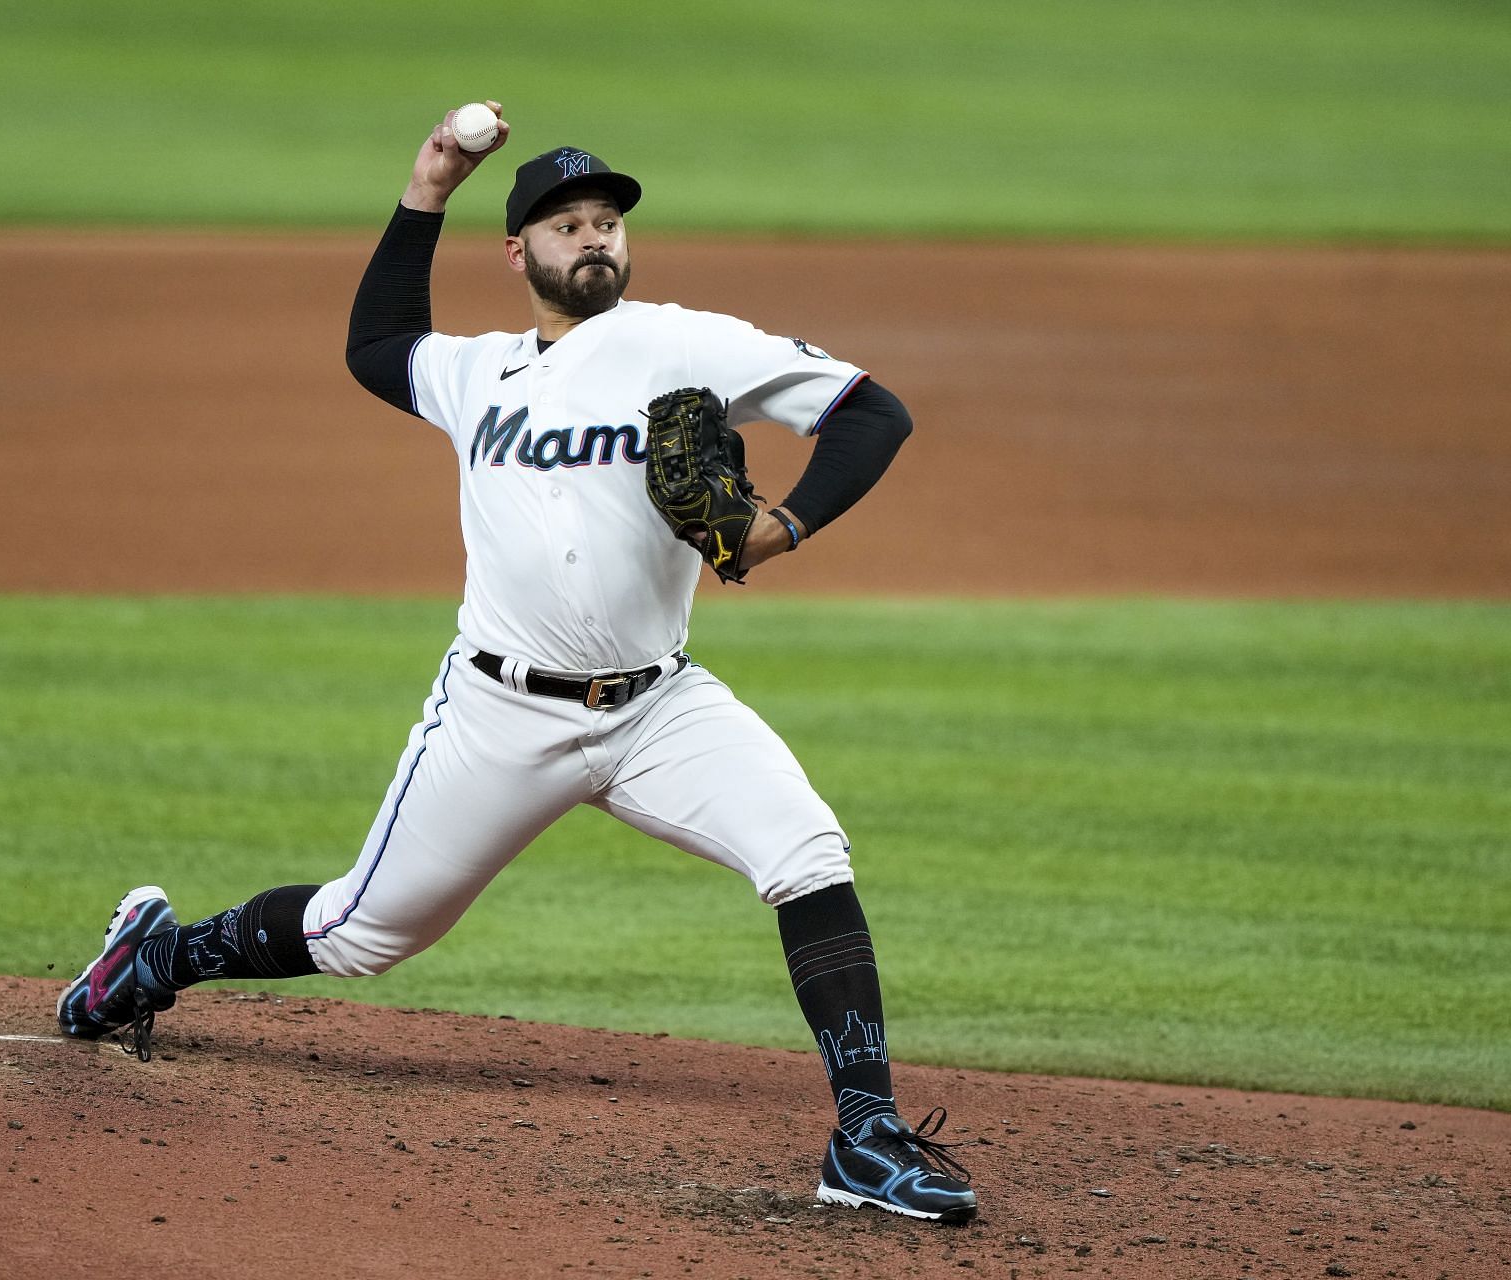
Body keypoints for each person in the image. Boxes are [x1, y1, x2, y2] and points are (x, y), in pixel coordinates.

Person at [58, 103, 976, 1223]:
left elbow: (874, 413)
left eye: (607, 222)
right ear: (519, 252)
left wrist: (780, 527)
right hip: (499, 715)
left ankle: (866, 1138)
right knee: (360, 933)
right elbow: (374, 349)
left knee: (807, 847)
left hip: (659, 705)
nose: (593, 238)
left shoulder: (688, 341)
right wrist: (428, 184)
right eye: (566, 224)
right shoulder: (474, 372)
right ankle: (157, 957)